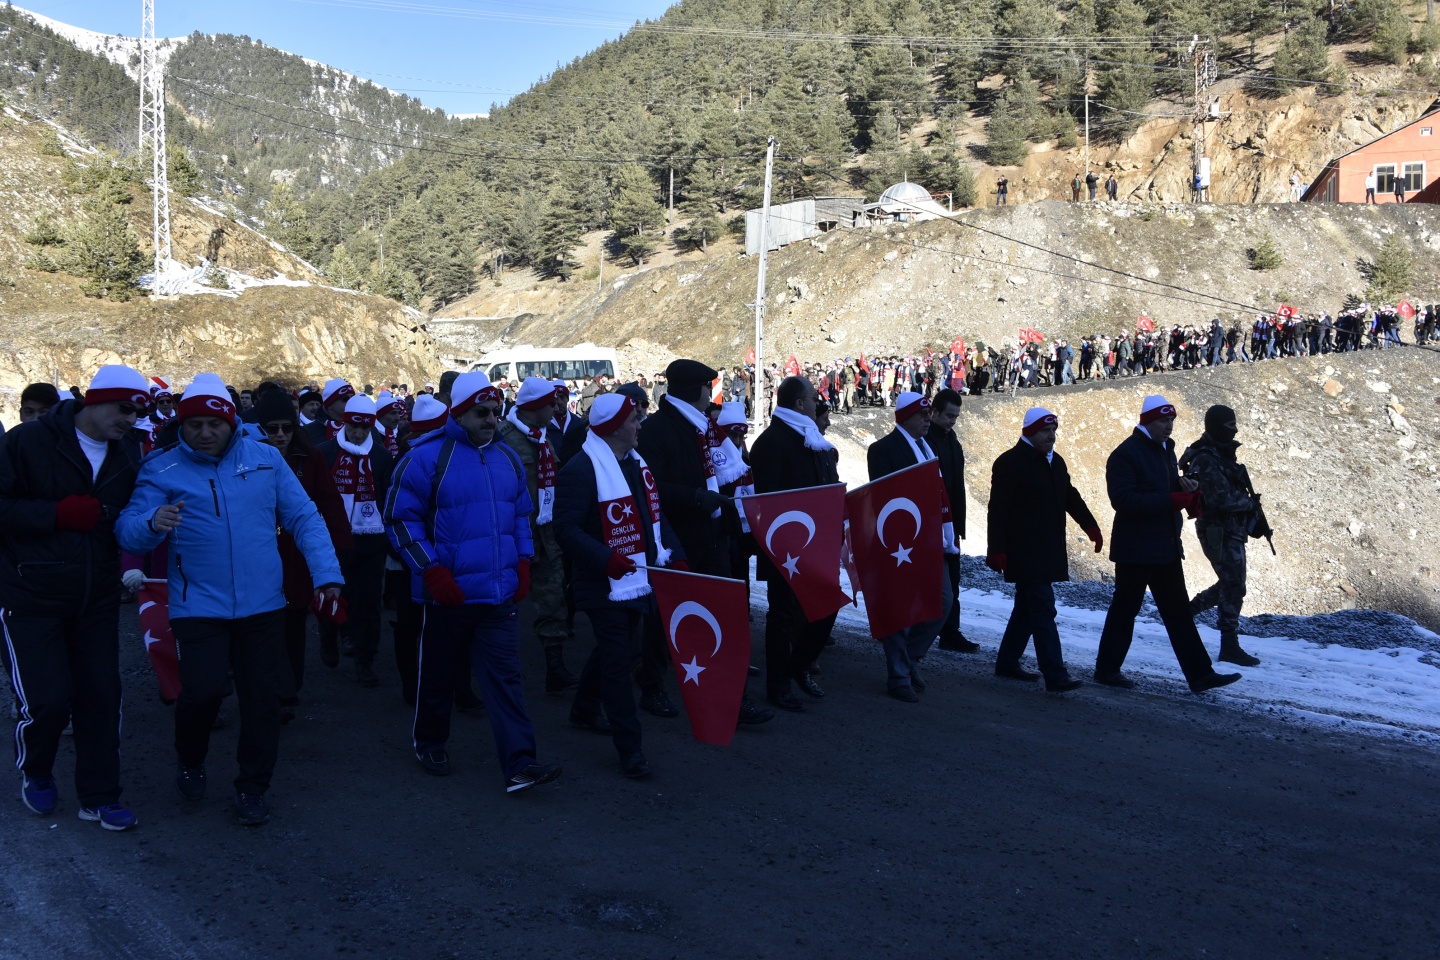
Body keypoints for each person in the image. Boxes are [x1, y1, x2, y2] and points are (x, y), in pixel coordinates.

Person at [117, 375, 344, 826]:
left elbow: (304, 517)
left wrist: (327, 574)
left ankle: (253, 786)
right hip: (197, 603)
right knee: (200, 693)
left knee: (262, 699)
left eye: (213, 423)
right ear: (182, 425)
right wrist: (150, 522)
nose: (204, 432)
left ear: (231, 422)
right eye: (194, 424)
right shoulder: (161, 468)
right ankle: (190, 759)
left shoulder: (265, 459)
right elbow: (126, 527)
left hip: (263, 604)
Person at [384, 370, 562, 794]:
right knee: (439, 676)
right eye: (481, 412)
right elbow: (400, 520)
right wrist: (430, 569)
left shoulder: (507, 458)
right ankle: (430, 741)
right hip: (450, 596)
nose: (491, 419)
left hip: (498, 597)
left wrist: (523, 560)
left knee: (506, 679)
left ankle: (520, 764)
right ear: (460, 413)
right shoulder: (426, 458)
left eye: (496, 411)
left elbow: (522, 514)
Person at [1, 365, 148, 831]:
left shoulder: (128, 453)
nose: (132, 418)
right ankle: (37, 771)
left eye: (139, 411)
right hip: (30, 594)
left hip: (96, 596)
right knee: (47, 700)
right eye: (126, 407)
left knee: (102, 697)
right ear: (97, 400)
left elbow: (127, 516)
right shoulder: (28, 441)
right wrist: (55, 514)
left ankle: (101, 797)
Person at [554, 393, 686, 779]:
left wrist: (673, 552)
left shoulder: (636, 465)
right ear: (614, 427)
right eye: (634, 421)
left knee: (621, 649)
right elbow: (565, 529)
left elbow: (654, 520)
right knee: (619, 660)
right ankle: (631, 748)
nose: (640, 426)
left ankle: (583, 708)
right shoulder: (580, 470)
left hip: (638, 575)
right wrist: (605, 558)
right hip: (602, 582)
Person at [637, 358, 771, 725]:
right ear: (695, 389)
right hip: (677, 538)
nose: (713, 395)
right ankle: (652, 686)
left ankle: (730, 695)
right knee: (665, 617)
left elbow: (724, 472)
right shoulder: (657, 430)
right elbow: (651, 486)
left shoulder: (705, 427)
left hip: (712, 535)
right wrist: (696, 498)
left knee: (720, 615)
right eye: (708, 387)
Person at [1092, 396, 1242, 694]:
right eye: (1163, 421)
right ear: (1147, 421)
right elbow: (1123, 500)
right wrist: (1170, 500)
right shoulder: (1125, 454)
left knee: (1178, 613)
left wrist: (1183, 487)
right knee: (1125, 609)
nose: (1169, 426)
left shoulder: (1166, 450)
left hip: (1165, 545)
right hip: (1135, 548)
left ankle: (1200, 675)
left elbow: (1162, 488)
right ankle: (1107, 669)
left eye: (1171, 420)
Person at [253, 389, 352, 724]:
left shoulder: (309, 458)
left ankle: (288, 689)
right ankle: (266, 688)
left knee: (294, 624)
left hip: (297, 557)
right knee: (264, 627)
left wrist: (337, 550)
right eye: (272, 428)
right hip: (258, 556)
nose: (280, 435)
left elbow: (328, 503)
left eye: (286, 427)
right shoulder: (244, 458)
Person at [986, 409, 1101, 692]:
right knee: (1043, 608)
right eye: (1044, 431)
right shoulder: (1010, 462)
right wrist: (996, 548)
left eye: (1053, 431)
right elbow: (997, 509)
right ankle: (1055, 673)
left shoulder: (1055, 461)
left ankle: (1007, 662)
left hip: (1047, 548)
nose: (1051, 436)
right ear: (1029, 432)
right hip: (1023, 549)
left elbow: (1069, 495)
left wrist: (1090, 526)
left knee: (1027, 608)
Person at [750, 377, 840, 712]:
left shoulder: (810, 437)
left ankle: (798, 667)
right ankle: (779, 686)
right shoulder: (772, 442)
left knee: (826, 607)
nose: (818, 404)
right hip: (785, 546)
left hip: (816, 543)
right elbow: (768, 501)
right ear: (800, 404)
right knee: (783, 615)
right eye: (813, 399)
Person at [865, 392, 955, 702]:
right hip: (902, 540)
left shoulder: (930, 449)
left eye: (929, 413)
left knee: (943, 601)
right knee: (901, 609)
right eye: (922, 414)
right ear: (905, 417)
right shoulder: (882, 450)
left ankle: (911, 659)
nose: (928, 418)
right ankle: (898, 676)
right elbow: (884, 494)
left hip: (932, 539)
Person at [499, 377, 579, 693]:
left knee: (553, 599)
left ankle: (555, 667)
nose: (557, 407)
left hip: (545, 535)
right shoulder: (504, 439)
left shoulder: (540, 438)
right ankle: (499, 670)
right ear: (534, 408)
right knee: (502, 603)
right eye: (551, 403)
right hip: (512, 537)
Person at [315, 394, 395, 688]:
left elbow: (388, 498)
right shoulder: (324, 453)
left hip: (371, 540)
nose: (358, 434)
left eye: (364, 428)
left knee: (369, 601)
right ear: (344, 422)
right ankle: (329, 638)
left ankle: (365, 659)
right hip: (333, 539)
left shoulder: (383, 456)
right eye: (353, 427)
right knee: (332, 593)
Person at [1180, 405, 1263, 667]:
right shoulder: (1206, 458)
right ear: (1216, 426)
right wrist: (1248, 504)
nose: (1235, 430)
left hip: (1230, 529)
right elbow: (1219, 497)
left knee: (1232, 582)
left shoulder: (1220, 455)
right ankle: (1229, 644)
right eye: (1229, 426)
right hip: (1216, 529)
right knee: (1233, 584)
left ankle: (1187, 613)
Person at [924, 388, 976, 654]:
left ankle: (950, 632)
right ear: (934, 412)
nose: (952, 421)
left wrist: (958, 525)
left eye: (955, 417)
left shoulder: (952, 441)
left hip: (951, 523)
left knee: (952, 580)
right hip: (931, 523)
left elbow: (957, 487)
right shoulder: (925, 442)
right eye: (948, 415)